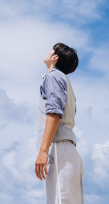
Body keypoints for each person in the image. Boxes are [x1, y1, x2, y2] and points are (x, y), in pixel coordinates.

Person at [34, 43, 83, 204]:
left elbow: (54, 112)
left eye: (51, 49)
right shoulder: (65, 81)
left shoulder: (53, 77)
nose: (47, 51)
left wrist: (43, 150)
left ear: (55, 58)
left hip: (58, 148)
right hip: (67, 149)